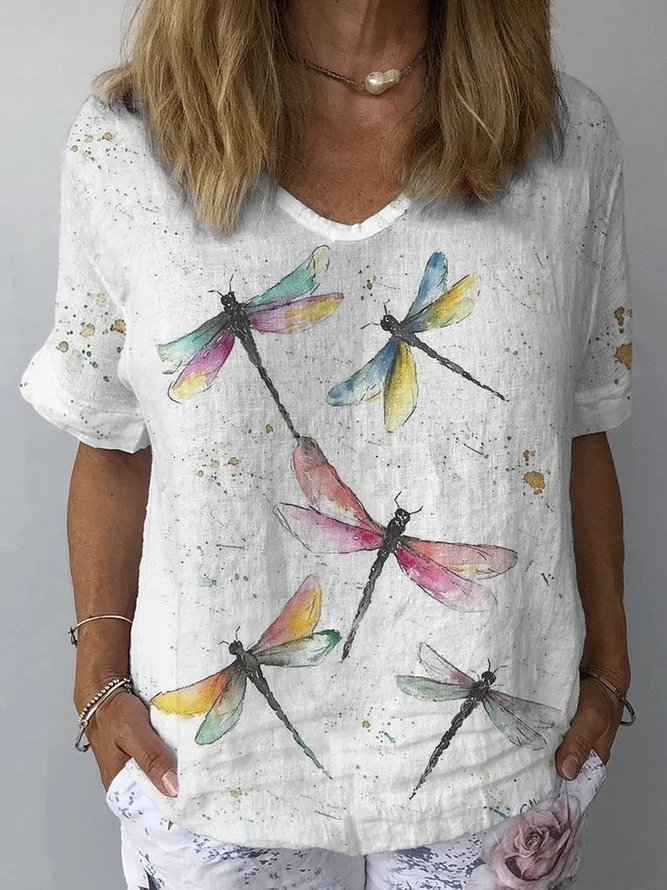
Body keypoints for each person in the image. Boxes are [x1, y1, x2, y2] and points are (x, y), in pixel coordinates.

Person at [19, 1, 636, 887]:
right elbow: (114, 439)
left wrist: (609, 670)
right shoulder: (129, 142)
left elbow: (577, 424)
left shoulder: (563, 138)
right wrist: (97, 680)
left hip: (497, 762)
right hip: (207, 769)